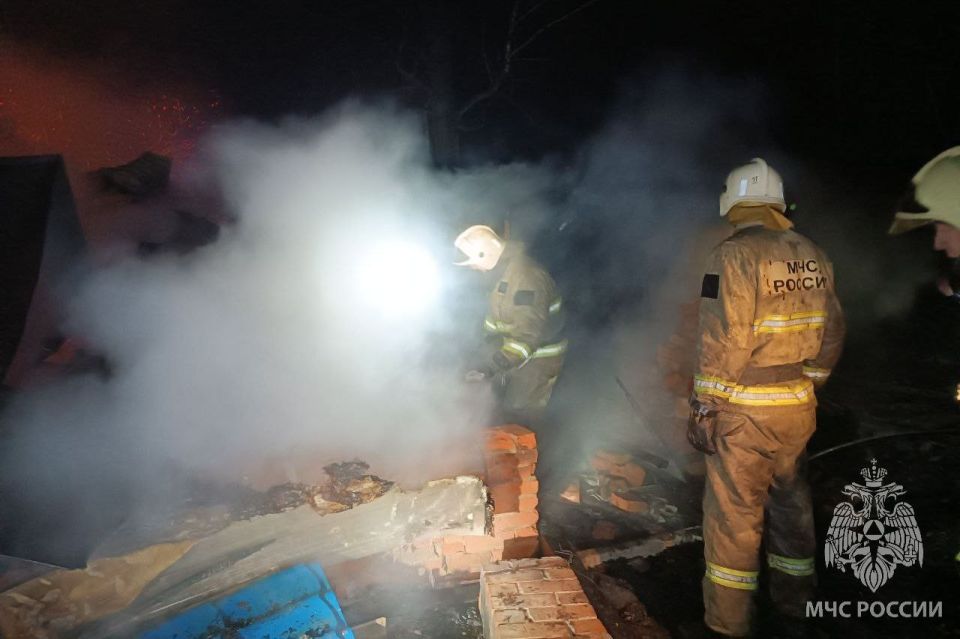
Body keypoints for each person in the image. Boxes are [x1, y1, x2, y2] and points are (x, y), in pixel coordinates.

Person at [688, 158, 846, 636]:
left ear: (733, 202)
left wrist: (706, 405)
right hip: (797, 405)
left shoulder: (733, 255)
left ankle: (728, 623)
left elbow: (725, 337)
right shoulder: (812, 252)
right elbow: (833, 331)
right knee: (791, 505)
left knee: (735, 518)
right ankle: (796, 605)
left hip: (745, 410)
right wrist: (808, 382)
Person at [454, 225, 566, 430]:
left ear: (485, 255)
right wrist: (483, 351)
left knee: (522, 415)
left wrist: (492, 366)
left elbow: (526, 338)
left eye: (473, 264)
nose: (473, 269)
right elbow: (495, 320)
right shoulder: (503, 275)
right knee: (505, 409)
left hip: (538, 361)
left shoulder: (526, 280)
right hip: (517, 356)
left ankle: (539, 447)